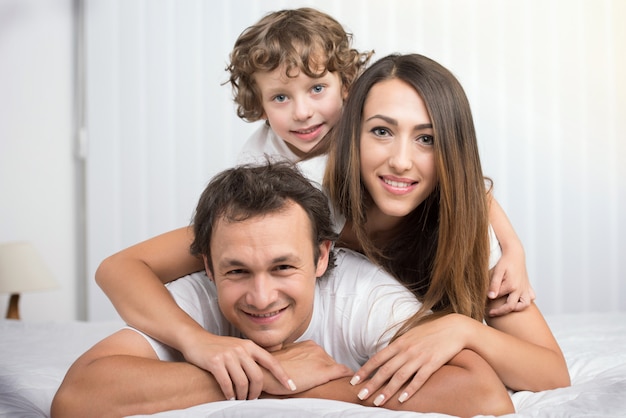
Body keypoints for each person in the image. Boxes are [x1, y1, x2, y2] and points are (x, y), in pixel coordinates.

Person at [94, 7, 534, 402]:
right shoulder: (284, 183)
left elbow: (465, 181)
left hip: (422, 324)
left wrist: (510, 249)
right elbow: (126, 266)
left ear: (350, 90)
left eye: (318, 89)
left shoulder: (413, 182)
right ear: (260, 106)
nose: (302, 113)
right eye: (281, 97)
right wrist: (196, 341)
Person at [51, 162, 514, 417]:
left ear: (320, 258)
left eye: (282, 267)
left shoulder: (363, 297)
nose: (261, 296)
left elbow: (481, 393)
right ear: (208, 268)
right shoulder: (196, 298)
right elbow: (77, 398)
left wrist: (280, 388)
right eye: (236, 272)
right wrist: (271, 376)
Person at [323, 53, 570, 407]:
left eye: (427, 139)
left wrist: (462, 329)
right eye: (381, 131)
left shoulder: (463, 230)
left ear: (451, 152)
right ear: (352, 136)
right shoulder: (312, 210)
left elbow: (552, 373)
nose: (401, 160)